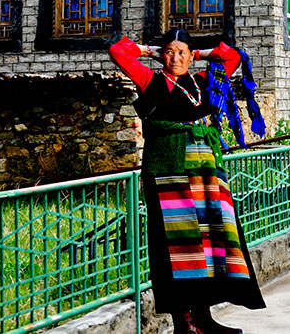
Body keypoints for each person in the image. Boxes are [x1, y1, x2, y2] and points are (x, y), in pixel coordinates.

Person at [109, 29, 266, 334]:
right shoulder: (150, 81)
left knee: (206, 246)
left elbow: (231, 55)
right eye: (170, 52)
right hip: (168, 173)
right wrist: (150, 49)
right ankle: (184, 323)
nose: (176, 58)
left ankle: (204, 318)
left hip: (206, 175)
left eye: (182, 52)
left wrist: (199, 53)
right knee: (177, 248)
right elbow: (118, 51)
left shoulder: (203, 81)